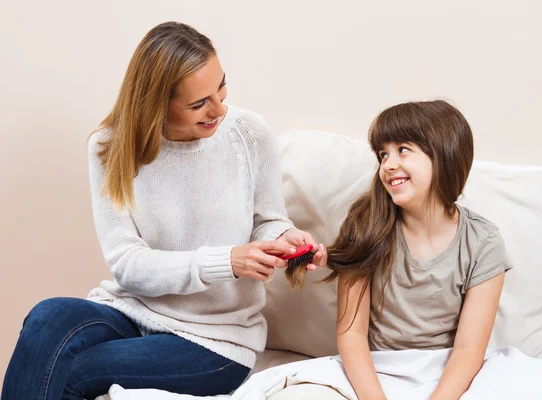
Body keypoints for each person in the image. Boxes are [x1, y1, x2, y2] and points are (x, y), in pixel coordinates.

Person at [1, 21, 326, 400]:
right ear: (157, 103)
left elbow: (268, 221)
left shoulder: (249, 133)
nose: (219, 108)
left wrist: (285, 240)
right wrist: (227, 261)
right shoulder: (110, 148)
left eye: (221, 86)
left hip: (216, 340)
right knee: (47, 318)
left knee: (74, 373)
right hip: (133, 310)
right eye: (198, 103)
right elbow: (128, 264)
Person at [277, 100, 511, 400]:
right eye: (383, 154)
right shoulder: (366, 225)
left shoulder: (483, 241)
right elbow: (352, 335)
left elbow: (469, 348)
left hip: (452, 373)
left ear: (445, 154)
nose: (388, 164)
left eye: (403, 149)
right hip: (376, 371)